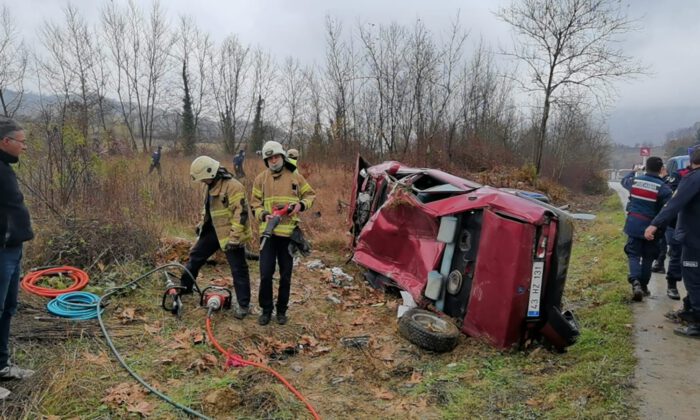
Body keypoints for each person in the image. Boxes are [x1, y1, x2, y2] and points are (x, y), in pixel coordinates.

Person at [251, 141, 315, 325]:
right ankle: (266, 310)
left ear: (282, 156)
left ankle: (281, 311)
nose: (273, 160)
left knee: (286, 275)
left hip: (288, 236)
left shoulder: (296, 177)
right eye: (269, 158)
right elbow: (254, 203)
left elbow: (310, 196)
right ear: (266, 160)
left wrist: (299, 206)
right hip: (268, 235)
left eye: (276, 156)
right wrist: (263, 214)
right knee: (265, 274)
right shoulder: (260, 179)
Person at [180, 156, 252, 319]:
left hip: (232, 232)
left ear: (210, 172)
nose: (202, 182)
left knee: (238, 269)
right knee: (195, 257)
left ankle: (244, 305)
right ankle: (185, 288)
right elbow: (207, 210)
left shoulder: (234, 187)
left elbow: (240, 214)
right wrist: (201, 224)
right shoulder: (210, 186)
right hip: (213, 231)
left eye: (203, 178)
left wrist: (234, 238)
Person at [645, 148, 700, 338]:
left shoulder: (693, 179)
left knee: (693, 279)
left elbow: (674, 205)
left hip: (695, 239)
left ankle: (697, 323)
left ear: (692, 161)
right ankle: (689, 310)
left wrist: (654, 225)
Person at [0, 117, 35, 399]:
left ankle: (1, 366)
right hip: (1, 252)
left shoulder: (5, 168)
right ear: (5, 141)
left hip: (12, 249)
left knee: (8, 308)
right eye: (21, 141)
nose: (24, 147)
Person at [621, 156, 672, 301]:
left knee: (633, 254)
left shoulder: (635, 181)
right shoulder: (664, 188)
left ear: (646, 167)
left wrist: (633, 171)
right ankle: (643, 286)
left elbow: (624, 181)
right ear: (661, 169)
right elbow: (667, 211)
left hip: (634, 225)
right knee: (648, 258)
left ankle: (635, 281)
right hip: (652, 228)